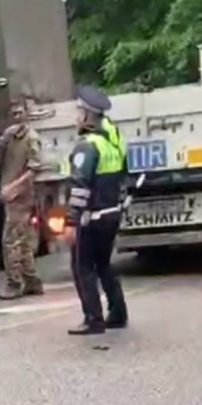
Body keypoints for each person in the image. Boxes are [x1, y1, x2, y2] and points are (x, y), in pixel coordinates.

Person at [63, 85, 129, 335]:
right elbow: (124, 177)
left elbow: (80, 188)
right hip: (112, 213)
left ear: (88, 115)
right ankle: (118, 312)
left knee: (82, 267)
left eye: (79, 111)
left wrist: (71, 222)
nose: (77, 117)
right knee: (104, 264)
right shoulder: (114, 143)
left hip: (91, 219)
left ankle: (94, 318)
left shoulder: (87, 147)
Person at [0, 97, 44, 300]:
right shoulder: (10, 137)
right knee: (21, 240)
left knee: (10, 240)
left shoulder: (31, 138)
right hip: (12, 196)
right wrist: (2, 140)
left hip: (22, 196)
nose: (16, 117)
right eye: (13, 114)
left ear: (26, 113)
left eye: (19, 113)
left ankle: (14, 283)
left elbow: (34, 168)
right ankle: (32, 281)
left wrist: (14, 187)